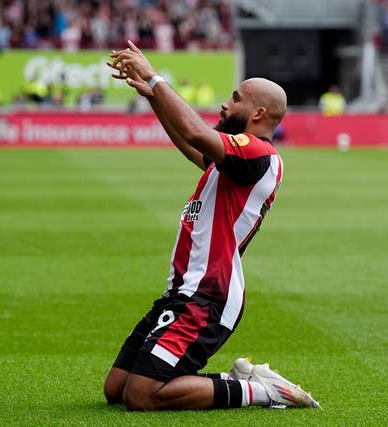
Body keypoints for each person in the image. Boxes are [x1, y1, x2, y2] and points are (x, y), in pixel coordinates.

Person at [104, 41, 320, 412]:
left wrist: (155, 79)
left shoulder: (257, 152)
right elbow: (191, 145)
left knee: (142, 396)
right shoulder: (237, 159)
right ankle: (238, 382)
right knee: (117, 389)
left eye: (235, 99)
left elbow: (194, 131)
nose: (225, 104)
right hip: (186, 290)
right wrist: (153, 98)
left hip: (208, 296)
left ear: (258, 112)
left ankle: (261, 393)